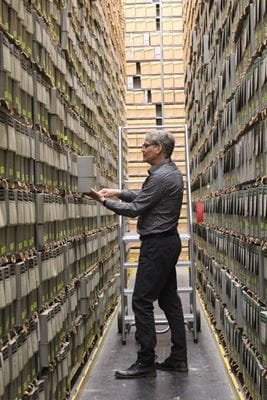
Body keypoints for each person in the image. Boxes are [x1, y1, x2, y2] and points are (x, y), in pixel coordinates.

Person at [88, 129, 187, 379]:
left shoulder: (162, 177)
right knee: (169, 301)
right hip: (165, 243)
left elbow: (135, 209)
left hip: (158, 246)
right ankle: (178, 358)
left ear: (159, 149)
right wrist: (117, 192)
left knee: (141, 301)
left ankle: (146, 361)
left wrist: (103, 201)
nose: (141, 149)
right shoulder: (166, 174)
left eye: (146, 146)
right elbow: (144, 198)